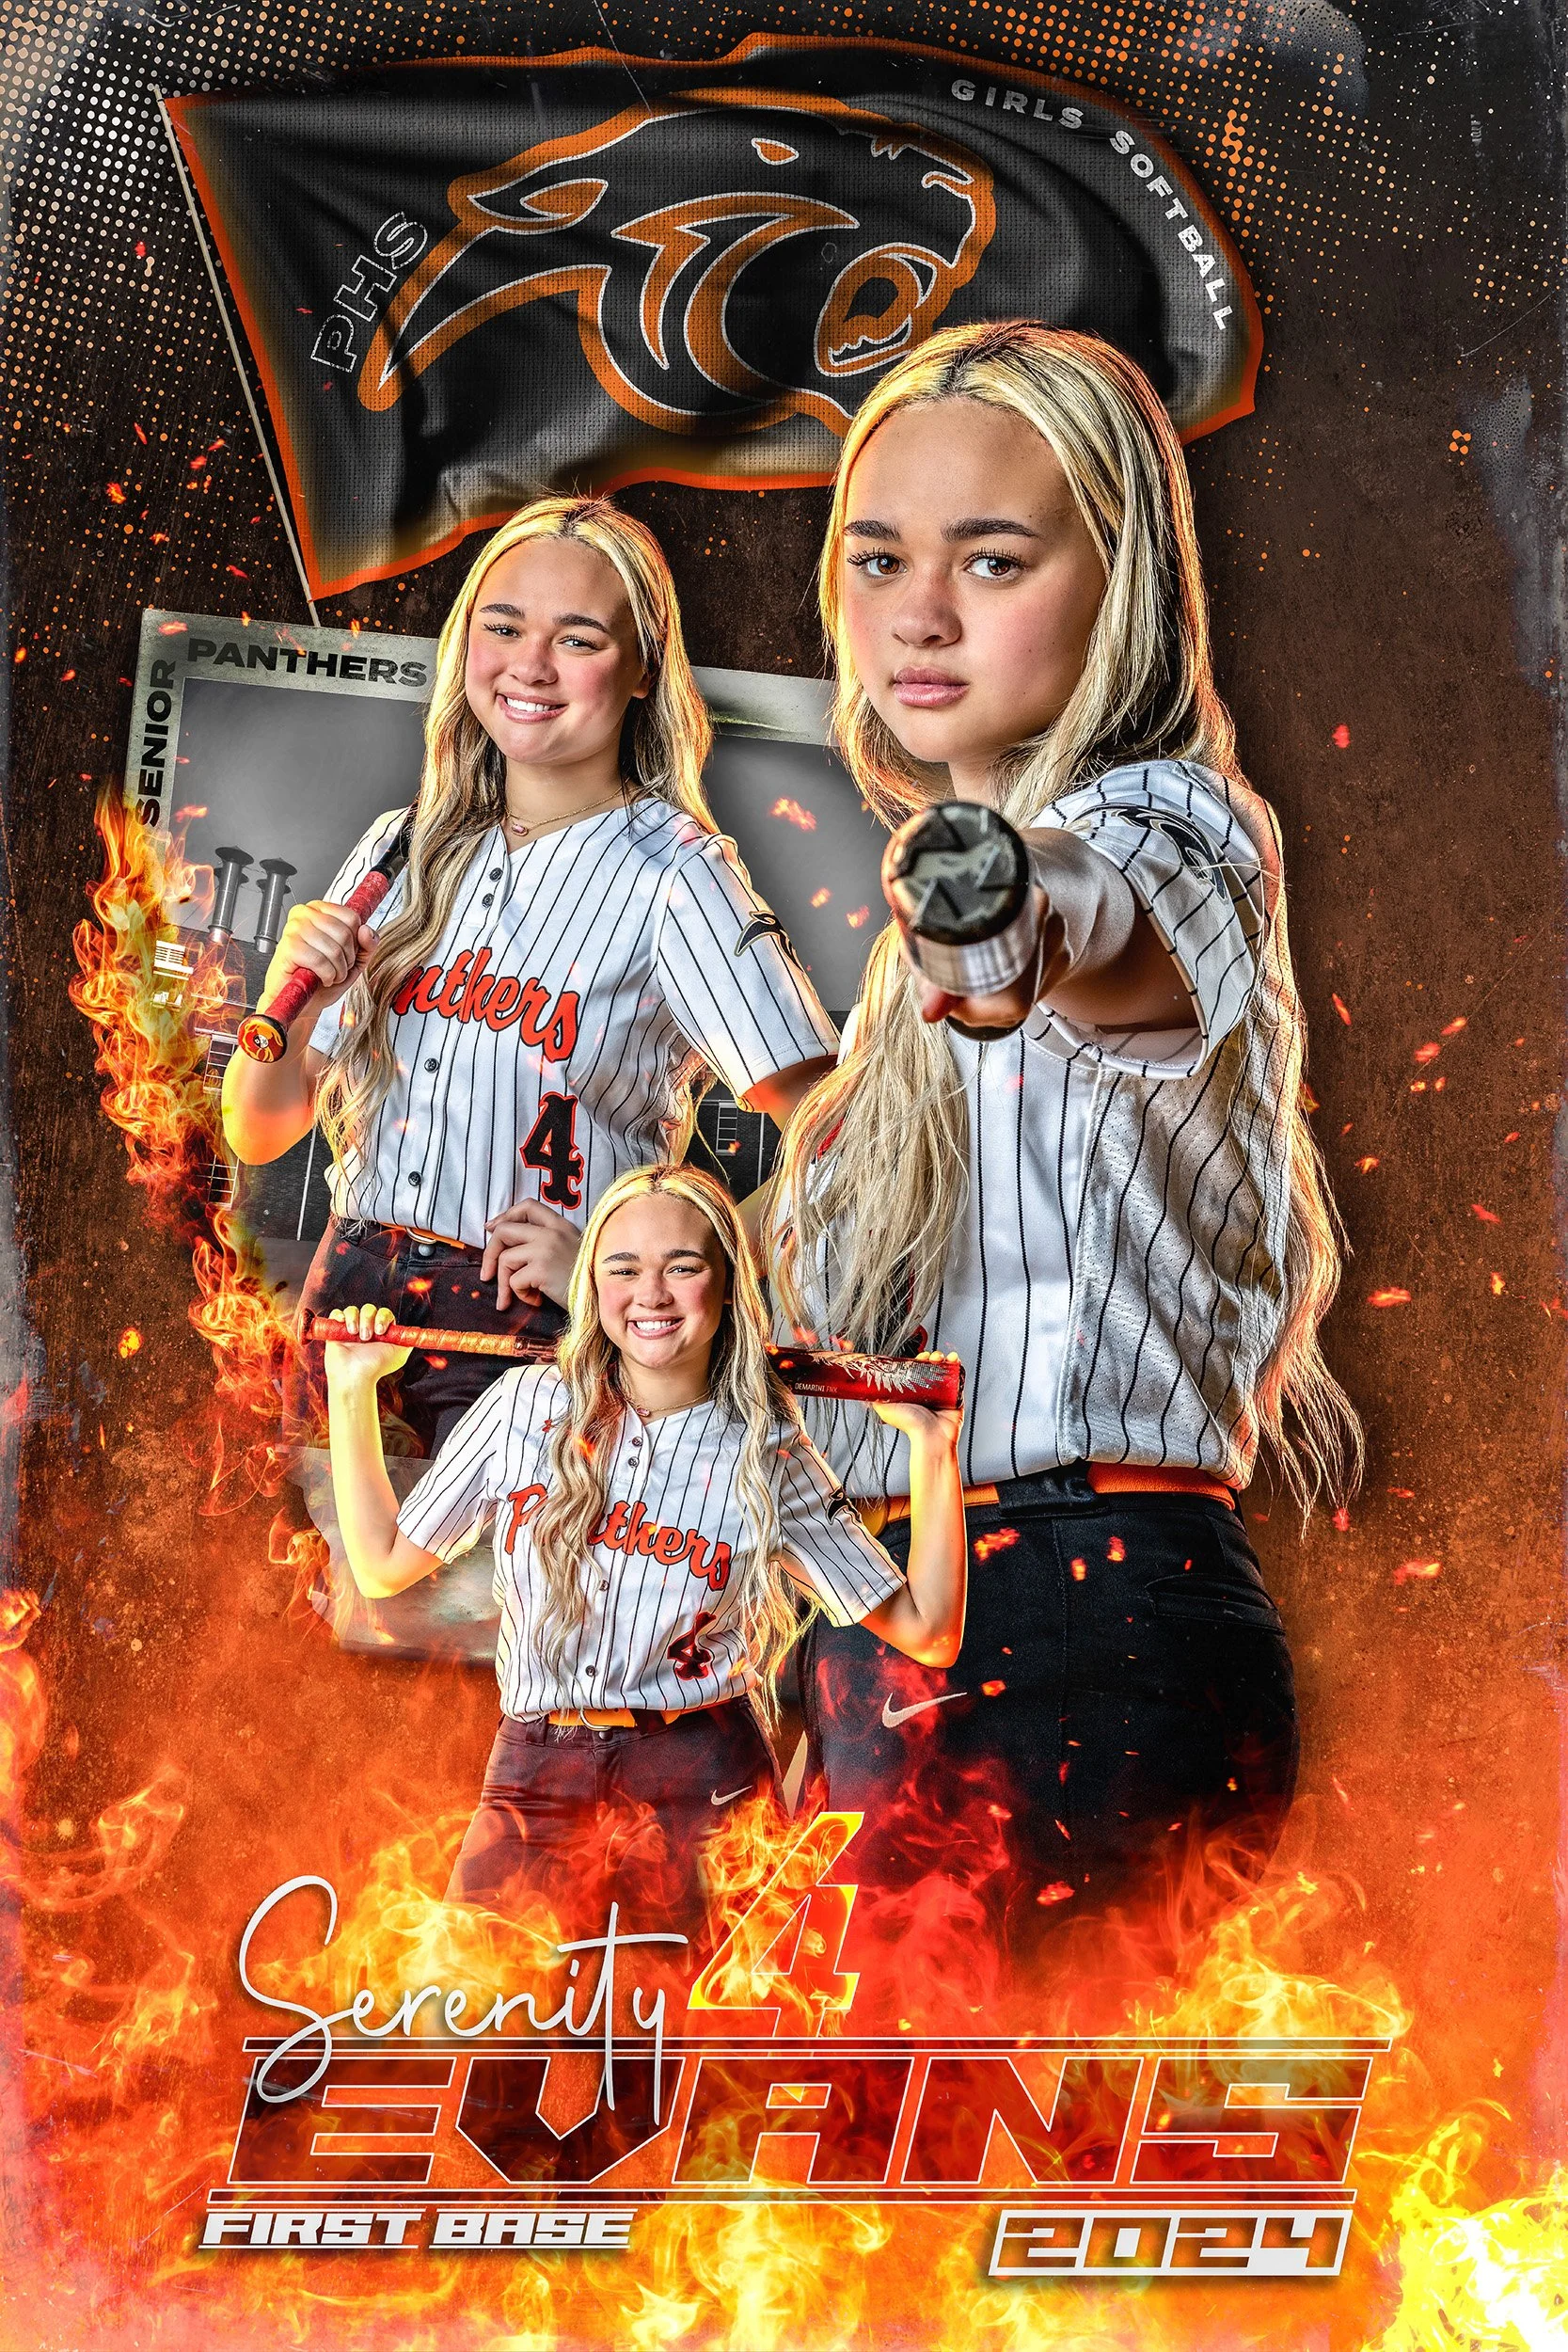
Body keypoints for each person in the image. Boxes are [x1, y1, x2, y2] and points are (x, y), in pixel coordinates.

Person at [769, 321, 1361, 1960]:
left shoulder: (1165, 824)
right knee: (863, 2188)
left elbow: (1090, 921)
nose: (920, 612)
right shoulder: (898, 962)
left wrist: (1004, 910)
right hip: (911, 1628)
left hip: (1086, 1611)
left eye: (994, 557)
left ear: (1119, 589)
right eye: (879, 556)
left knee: (1018, 2154)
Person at [222, 495, 837, 1454]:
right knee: (292, 1598)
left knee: (491, 1606)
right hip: (350, 1307)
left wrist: (623, 1272)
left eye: (578, 638)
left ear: (641, 668)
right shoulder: (402, 847)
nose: (529, 665)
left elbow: (837, 1133)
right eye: (502, 626)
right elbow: (258, 1130)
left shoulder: (674, 872)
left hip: (529, 1332)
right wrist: (287, 1009)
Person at [322, 1164, 965, 1948]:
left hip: (699, 1777)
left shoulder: (766, 1449)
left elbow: (929, 1630)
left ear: (726, 1287)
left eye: (682, 1267)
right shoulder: (527, 1405)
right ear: (593, 1284)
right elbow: (385, 1563)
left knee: (665, 2056)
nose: (650, 1294)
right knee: (479, 2039)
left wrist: (935, 1451)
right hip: (535, 1767)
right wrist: (350, 1389)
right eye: (622, 1268)